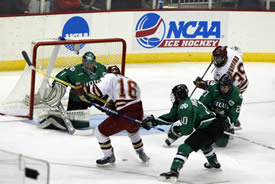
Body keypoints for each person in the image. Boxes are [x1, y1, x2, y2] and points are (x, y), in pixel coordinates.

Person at [141, 84, 227, 182]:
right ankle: (213, 162)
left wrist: (178, 130)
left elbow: (187, 130)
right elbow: (172, 116)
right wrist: (155, 121)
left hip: (209, 128)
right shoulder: (183, 103)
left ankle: (174, 171)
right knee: (204, 144)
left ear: (176, 96)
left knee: (184, 148)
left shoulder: (185, 107)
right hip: (218, 125)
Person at [72, 65, 150, 165]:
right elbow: (131, 98)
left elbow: (98, 90)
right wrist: (114, 103)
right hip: (139, 111)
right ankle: (141, 153)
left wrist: (83, 88)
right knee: (133, 132)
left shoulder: (110, 77)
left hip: (125, 112)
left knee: (99, 132)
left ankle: (108, 156)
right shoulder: (130, 80)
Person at [37, 51, 107, 131]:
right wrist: (57, 87)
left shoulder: (102, 68)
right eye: (86, 63)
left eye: (91, 63)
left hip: (97, 96)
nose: (88, 65)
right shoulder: (75, 71)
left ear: (94, 62)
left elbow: (109, 82)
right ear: (83, 62)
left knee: (113, 107)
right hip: (78, 98)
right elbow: (63, 75)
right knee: (77, 123)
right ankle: (51, 119)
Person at [193, 45, 248, 129]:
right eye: (215, 57)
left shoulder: (222, 73)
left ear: (224, 57)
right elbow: (237, 49)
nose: (216, 60)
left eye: (218, 58)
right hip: (244, 81)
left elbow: (216, 86)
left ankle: (230, 120)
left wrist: (203, 83)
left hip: (235, 87)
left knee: (223, 100)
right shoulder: (231, 52)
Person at [199, 74, 243, 147]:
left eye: (225, 87)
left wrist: (226, 124)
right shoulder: (213, 88)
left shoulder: (237, 95)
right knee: (203, 138)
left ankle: (231, 127)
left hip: (224, 117)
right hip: (211, 114)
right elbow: (202, 104)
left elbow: (234, 114)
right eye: (221, 86)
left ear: (230, 86)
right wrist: (207, 117)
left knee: (221, 143)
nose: (222, 89)